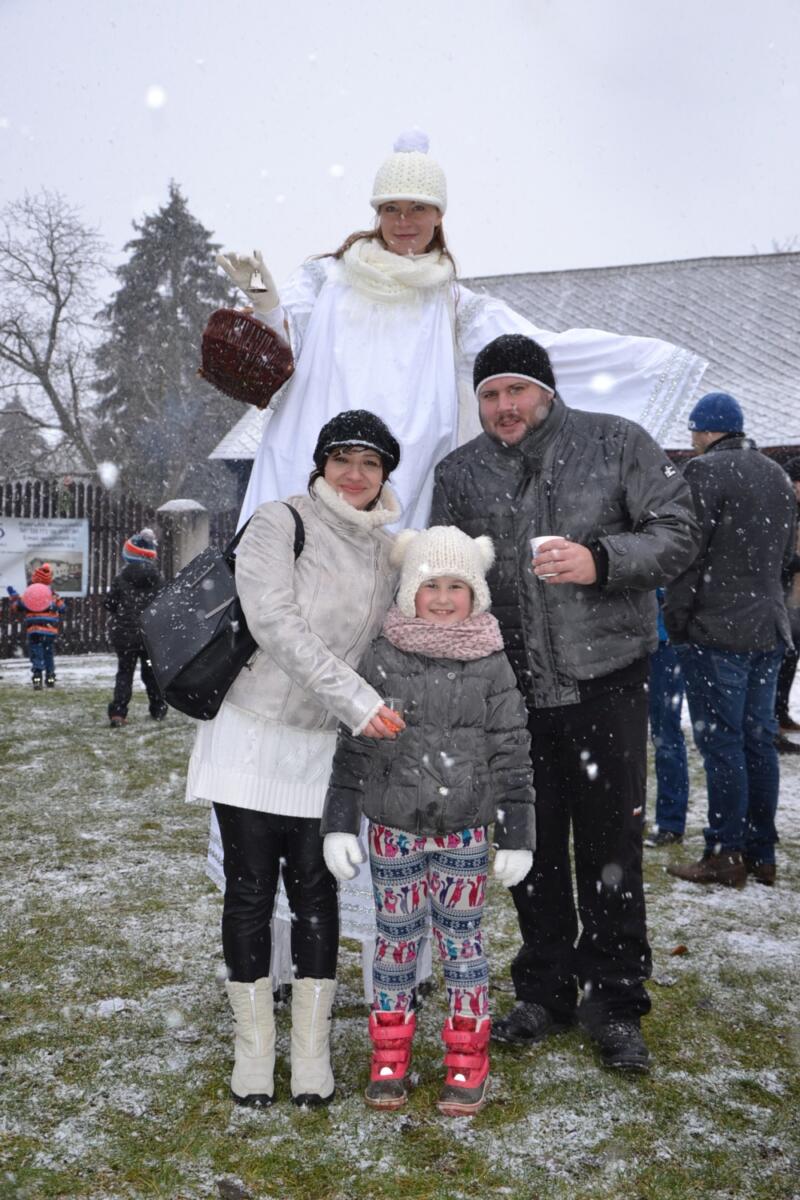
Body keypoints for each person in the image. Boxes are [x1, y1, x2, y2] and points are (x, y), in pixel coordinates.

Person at [211, 130, 706, 991]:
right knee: (284, 719)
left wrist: (640, 357)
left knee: (405, 737)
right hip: (317, 493)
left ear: (439, 216)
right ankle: (283, 951)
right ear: (375, 211)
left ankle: (406, 946)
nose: (404, 221)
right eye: (392, 206)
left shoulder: (458, 307)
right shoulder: (327, 280)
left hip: (406, 517)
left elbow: (535, 355)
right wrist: (261, 306)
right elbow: (276, 351)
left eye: (420, 208)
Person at [430, 333, 700, 1073]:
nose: (504, 406)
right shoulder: (460, 473)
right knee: (532, 847)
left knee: (610, 848)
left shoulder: (617, 443)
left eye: (516, 390)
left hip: (604, 681)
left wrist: (601, 559)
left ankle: (615, 1001)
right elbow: (449, 573)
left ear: (546, 391)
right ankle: (545, 990)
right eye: (489, 394)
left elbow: (678, 531)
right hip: (512, 692)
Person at [185, 410, 405, 1108]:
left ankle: (310, 1051)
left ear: (385, 475)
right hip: (253, 730)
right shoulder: (281, 521)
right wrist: (357, 700)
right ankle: (253, 1051)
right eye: (342, 458)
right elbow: (273, 621)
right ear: (320, 463)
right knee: (251, 888)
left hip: (325, 742)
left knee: (316, 889)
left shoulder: (388, 551)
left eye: (370, 462)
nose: (355, 473)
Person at [321, 525, 535, 1116]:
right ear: (408, 590)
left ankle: (468, 1057)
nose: (442, 598)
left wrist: (517, 833)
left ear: (476, 593)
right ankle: (390, 1054)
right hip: (394, 829)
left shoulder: (492, 663)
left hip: (465, 829)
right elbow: (355, 744)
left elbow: (512, 749)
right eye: (430, 584)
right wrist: (339, 822)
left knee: (463, 944)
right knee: (396, 943)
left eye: (455, 585)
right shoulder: (383, 656)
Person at [664, 393, 797, 888]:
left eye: (694, 432)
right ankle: (762, 854)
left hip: (718, 630)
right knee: (759, 741)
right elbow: (785, 555)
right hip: (768, 626)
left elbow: (685, 555)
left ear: (704, 431)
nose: (692, 440)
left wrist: (678, 621)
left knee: (723, 744)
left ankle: (724, 853)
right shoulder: (775, 474)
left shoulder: (703, 473)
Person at [105, 529, 167, 728]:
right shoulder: (158, 579)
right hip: (149, 638)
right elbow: (163, 605)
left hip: (125, 636)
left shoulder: (121, 578)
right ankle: (158, 707)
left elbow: (110, 604)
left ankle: (118, 712)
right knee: (150, 672)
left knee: (125, 673)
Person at [644, 588, 689, 846]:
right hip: (629, 641)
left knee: (666, 736)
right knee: (625, 738)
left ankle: (671, 822)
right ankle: (630, 812)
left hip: (663, 643)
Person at [774, 455, 800, 753]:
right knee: (780, 662)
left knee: (790, 661)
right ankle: (773, 719)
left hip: (794, 600)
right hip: (781, 598)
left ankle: (780, 713)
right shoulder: (781, 509)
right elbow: (780, 556)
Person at [8, 563, 66, 689]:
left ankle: (37, 677)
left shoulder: (29, 594)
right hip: (50, 630)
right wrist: (53, 606)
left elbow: (17, 607)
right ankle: (50, 677)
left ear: (34, 579)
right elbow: (62, 608)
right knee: (48, 653)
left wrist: (14, 597)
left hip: (34, 629)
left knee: (36, 653)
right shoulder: (52, 594)